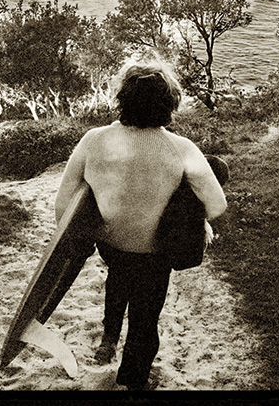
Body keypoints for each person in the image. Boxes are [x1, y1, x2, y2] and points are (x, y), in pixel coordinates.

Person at [53, 58, 228, 391]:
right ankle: (131, 381)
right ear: (170, 103)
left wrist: (78, 245)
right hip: (155, 252)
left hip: (111, 245)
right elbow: (217, 205)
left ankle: (108, 337)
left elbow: (64, 203)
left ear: (122, 98)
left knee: (119, 277)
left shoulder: (93, 140)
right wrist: (187, 208)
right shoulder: (182, 149)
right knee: (145, 319)